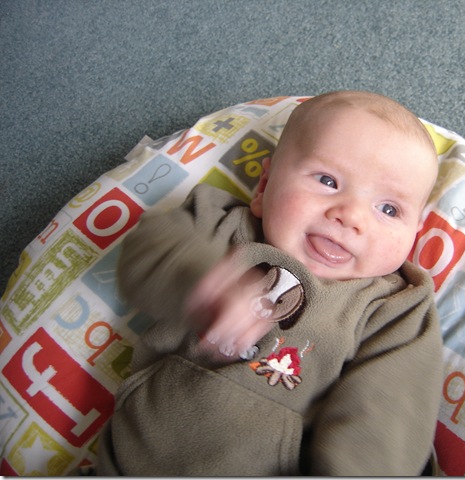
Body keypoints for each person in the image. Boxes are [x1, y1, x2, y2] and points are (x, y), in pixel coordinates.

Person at [96, 90, 444, 476]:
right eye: (328, 180)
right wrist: (202, 279)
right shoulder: (221, 225)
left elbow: (390, 414)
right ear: (263, 187)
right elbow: (147, 250)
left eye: (389, 209)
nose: (351, 216)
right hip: (137, 455)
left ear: (415, 232)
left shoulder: (395, 305)